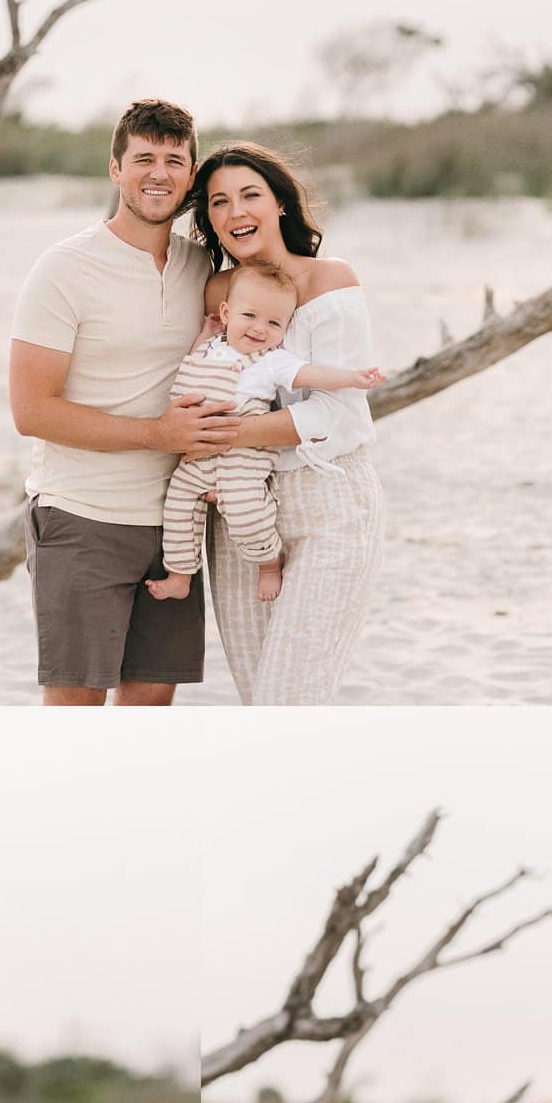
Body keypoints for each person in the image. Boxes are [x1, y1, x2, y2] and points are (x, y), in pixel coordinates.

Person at [9, 98, 229, 706]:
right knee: (75, 709)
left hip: (175, 528)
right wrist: (159, 435)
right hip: (82, 517)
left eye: (174, 161)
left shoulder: (201, 266)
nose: (158, 173)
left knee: (150, 709)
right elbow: (32, 411)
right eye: (143, 159)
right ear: (115, 169)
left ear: (190, 177)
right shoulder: (64, 269)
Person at [183, 142, 387, 704]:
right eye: (219, 202)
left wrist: (223, 435)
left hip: (330, 505)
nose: (236, 212)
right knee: (260, 701)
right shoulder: (216, 294)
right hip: (240, 520)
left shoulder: (329, 279)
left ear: (280, 205)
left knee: (291, 700)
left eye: (251, 195)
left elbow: (334, 414)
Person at [145, 258, 383, 606]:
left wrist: (351, 378)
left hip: (243, 456)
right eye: (250, 316)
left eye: (274, 322)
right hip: (195, 456)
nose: (260, 328)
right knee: (178, 505)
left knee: (247, 513)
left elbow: (313, 375)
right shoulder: (210, 347)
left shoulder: (271, 361)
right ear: (226, 313)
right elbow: (190, 362)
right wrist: (203, 334)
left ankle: (268, 562)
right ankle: (180, 575)